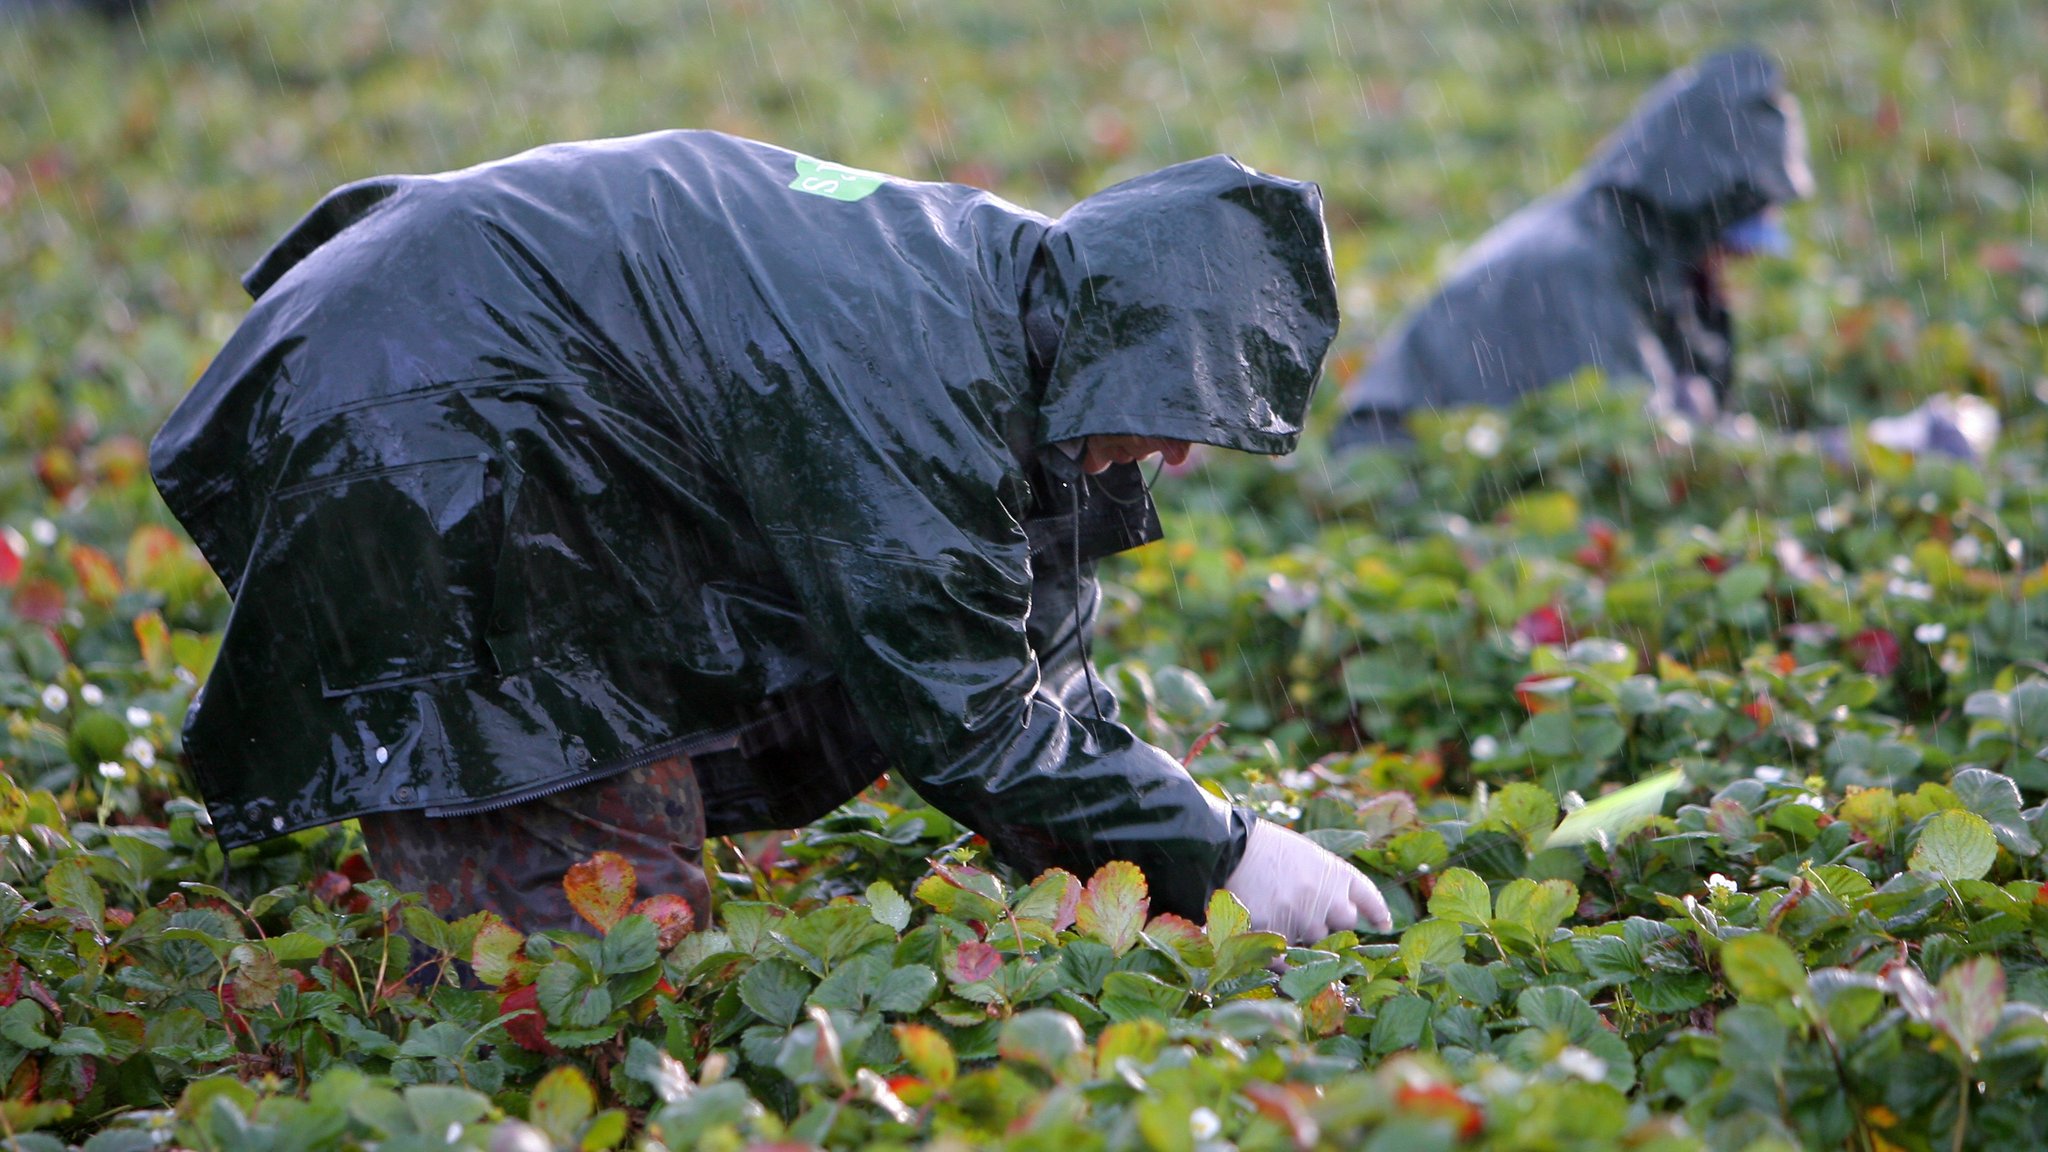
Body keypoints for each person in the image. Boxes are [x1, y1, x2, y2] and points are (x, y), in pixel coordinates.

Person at [149, 131, 1390, 947]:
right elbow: (970, 719)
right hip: (422, 406)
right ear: (1125, 347)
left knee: (640, 854)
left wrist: (1184, 856)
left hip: (492, 380)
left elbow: (1035, 672)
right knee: (599, 941)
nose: (1181, 455)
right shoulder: (923, 362)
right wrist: (1224, 858)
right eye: (1180, 408)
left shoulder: (1026, 321)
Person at [1331, 47, 1813, 450]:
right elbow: (1633, 439)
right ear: (1693, 211)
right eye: (1733, 236)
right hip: (1399, 462)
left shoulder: (1637, 253)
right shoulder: (1577, 263)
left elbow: (1684, 413)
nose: (1743, 257)